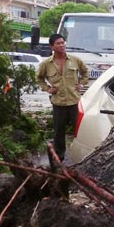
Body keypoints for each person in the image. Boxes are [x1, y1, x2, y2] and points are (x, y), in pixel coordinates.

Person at [36, 33, 89, 161]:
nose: (61, 45)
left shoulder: (75, 60)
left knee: (80, 130)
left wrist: (81, 84)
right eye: (58, 43)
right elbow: (39, 78)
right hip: (58, 103)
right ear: (51, 47)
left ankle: (84, 155)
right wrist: (48, 89)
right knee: (59, 132)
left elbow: (85, 72)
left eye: (63, 42)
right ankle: (59, 157)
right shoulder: (46, 64)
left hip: (74, 102)